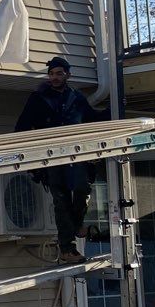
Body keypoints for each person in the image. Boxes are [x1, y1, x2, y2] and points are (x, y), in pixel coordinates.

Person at [14, 56, 105, 263]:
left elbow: (91, 118)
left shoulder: (76, 97)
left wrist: (113, 112)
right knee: (61, 199)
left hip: (76, 152)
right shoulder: (38, 98)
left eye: (59, 73)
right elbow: (22, 127)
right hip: (50, 156)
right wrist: (31, 158)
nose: (54, 77)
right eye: (52, 74)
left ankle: (78, 224)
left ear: (67, 75)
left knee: (82, 188)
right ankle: (67, 248)